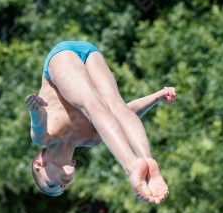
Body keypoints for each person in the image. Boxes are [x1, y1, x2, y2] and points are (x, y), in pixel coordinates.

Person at [25, 40, 177, 203]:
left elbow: (39, 120)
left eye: (50, 185)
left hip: (61, 58)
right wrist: (156, 98)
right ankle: (147, 162)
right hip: (90, 53)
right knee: (117, 107)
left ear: (39, 164)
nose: (60, 186)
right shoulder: (92, 138)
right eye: (61, 189)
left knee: (92, 106)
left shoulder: (44, 137)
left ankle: (131, 166)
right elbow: (124, 114)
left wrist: (34, 108)